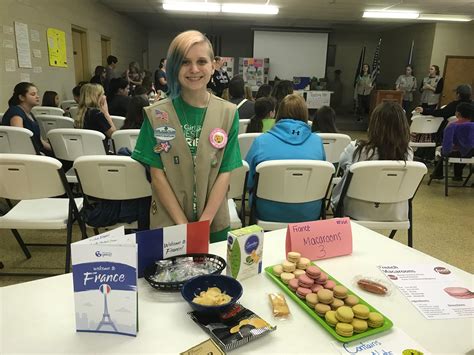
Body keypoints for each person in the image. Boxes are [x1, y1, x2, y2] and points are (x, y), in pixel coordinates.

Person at [131, 30, 242, 243]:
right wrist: (184, 226)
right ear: (174, 67)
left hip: (213, 222)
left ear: (213, 66)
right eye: (185, 62)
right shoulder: (156, 114)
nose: (194, 69)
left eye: (201, 61)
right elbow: (157, 175)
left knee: (211, 275)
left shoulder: (228, 113)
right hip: (169, 222)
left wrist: (203, 224)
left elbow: (224, 172)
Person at [245, 93, 326, 223]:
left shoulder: (261, 142)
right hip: (309, 212)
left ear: (278, 113)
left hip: (267, 211)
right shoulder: (317, 143)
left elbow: (247, 182)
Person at [332, 102, 413, 221]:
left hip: (356, 210)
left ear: (374, 124)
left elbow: (342, 164)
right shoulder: (408, 153)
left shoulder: (355, 149)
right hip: (394, 213)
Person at [1, 82, 51, 153]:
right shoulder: (16, 113)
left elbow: (39, 141)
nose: (37, 96)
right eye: (33, 94)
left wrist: (57, 150)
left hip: (35, 151)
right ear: (21, 97)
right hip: (26, 155)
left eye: (37, 94)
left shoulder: (30, 114)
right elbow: (20, 141)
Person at [430, 102, 474, 181]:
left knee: (438, 149)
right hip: (471, 154)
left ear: (457, 113)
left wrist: (444, 152)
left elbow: (447, 145)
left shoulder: (452, 126)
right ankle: (458, 175)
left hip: (455, 153)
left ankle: (438, 174)